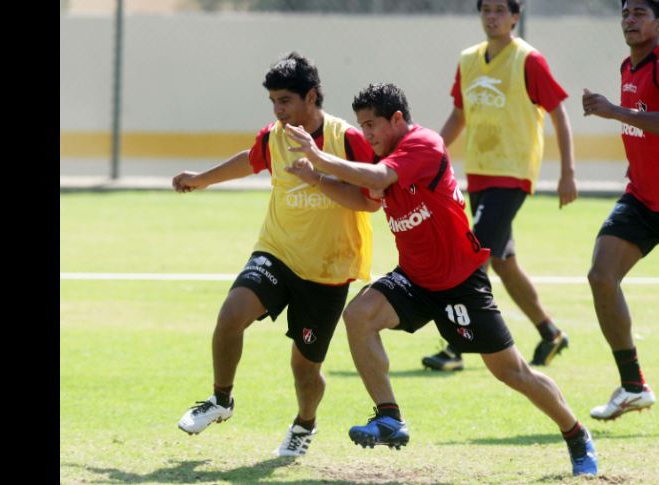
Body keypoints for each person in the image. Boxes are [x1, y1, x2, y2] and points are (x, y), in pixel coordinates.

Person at [284, 83, 597, 476]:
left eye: (372, 125)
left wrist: (320, 158)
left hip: (460, 283)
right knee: (358, 316)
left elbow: (378, 175)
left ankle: (575, 434)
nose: (367, 135)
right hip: (414, 279)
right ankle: (389, 417)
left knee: (512, 372)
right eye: (361, 127)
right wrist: (316, 178)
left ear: (397, 119)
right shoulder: (387, 155)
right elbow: (365, 198)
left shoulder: (423, 145)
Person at [172, 52, 378, 456]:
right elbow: (249, 161)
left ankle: (305, 424)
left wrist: (318, 177)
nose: (278, 110)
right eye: (273, 102)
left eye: (285, 100)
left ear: (312, 96)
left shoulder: (347, 139)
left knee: (304, 370)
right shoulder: (273, 136)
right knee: (231, 315)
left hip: (327, 270)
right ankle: (221, 399)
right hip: (277, 252)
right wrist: (202, 180)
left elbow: (371, 201)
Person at [422, 0, 576, 372]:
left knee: (472, 255)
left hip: (513, 173)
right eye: (485, 9)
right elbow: (459, 114)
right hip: (479, 172)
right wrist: (430, 157)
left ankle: (456, 344)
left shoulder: (528, 59)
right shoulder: (469, 60)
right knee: (503, 262)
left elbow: (557, 110)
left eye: (499, 10)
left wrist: (567, 171)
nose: (491, 17)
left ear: (514, 18)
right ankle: (550, 332)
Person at [582, 0, 659, 420]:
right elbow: (641, 128)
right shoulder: (628, 67)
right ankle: (633, 386)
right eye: (625, 13)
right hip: (642, 198)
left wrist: (614, 111)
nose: (629, 20)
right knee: (601, 275)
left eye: (639, 13)